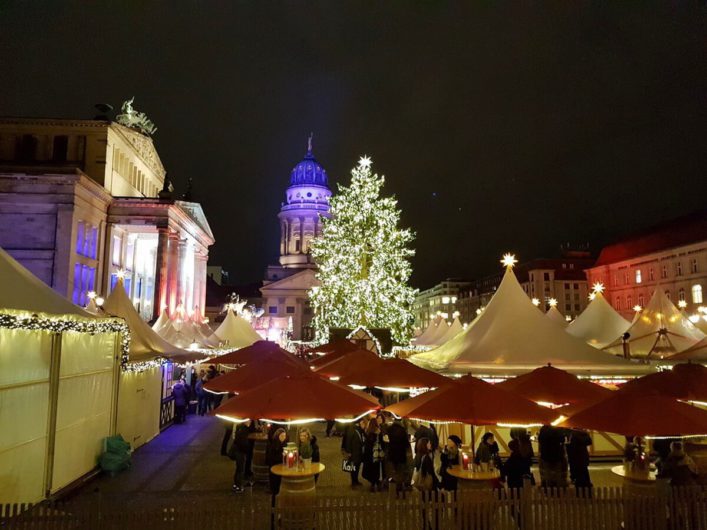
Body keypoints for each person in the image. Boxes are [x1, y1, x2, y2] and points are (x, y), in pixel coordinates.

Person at [385, 419, 411, 491]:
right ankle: (399, 488)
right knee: (400, 472)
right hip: (401, 454)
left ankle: (393, 487)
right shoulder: (402, 430)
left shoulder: (389, 429)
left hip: (392, 454)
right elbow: (406, 444)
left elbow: (387, 440)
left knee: (393, 471)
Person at [342, 418, 367, 488]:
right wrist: (348, 451)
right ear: (359, 422)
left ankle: (356, 480)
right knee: (353, 468)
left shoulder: (360, 430)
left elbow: (363, 439)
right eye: (363, 423)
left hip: (359, 452)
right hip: (353, 452)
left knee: (357, 467)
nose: (364, 425)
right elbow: (348, 441)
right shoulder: (352, 429)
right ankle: (353, 482)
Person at [362, 416, 385, 491]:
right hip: (377, 454)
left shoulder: (368, 433)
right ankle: (377, 483)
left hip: (370, 455)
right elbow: (382, 442)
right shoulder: (378, 432)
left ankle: (373, 484)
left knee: (371, 469)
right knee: (377, 469)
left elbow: (367, 444)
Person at [231, 419, 252, 493]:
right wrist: (247, 449)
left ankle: (236, 485)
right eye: (248, 421)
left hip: (238, 451)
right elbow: (242, 443)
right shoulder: (243, 429)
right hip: (240, 452)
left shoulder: (241, 427)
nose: (250, 422)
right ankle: (238, 486)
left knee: (238, 469)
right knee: (240, 469)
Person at [266, 428, 288, 495]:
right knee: (274, 479)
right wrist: (282, 456)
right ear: (277, 436)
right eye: (281, 436)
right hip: (274, 465)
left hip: (280, 465)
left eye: (284, 436)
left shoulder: (284, 444)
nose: (283, 438)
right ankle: (273, 491)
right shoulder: (274, 444)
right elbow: (271, 457)